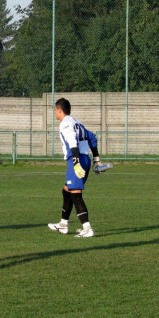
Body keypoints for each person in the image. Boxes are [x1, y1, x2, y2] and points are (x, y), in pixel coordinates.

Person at [48, 98, 104, 238]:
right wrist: (96, 159)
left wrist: (76, 161)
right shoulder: (77, 122)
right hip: (83, 158)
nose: (55, 112)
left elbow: (72, 139)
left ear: (60, 110)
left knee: (76, 195)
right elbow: (92, 138)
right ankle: (63, 224)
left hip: (77, 158)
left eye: (55, 110)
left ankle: (87, 228)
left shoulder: (65, 123)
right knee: (66, 191)